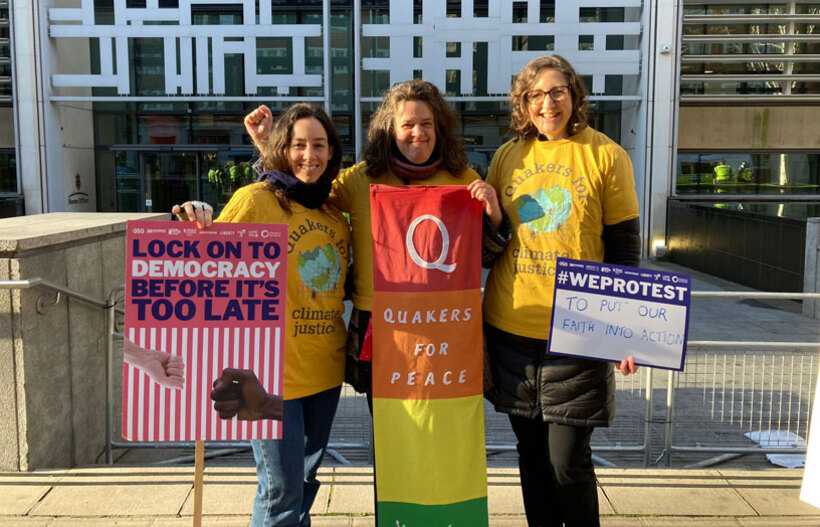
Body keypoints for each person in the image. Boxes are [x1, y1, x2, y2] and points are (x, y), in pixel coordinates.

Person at [243, 79, 506, 400]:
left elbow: (485, 258)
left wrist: (492, 214)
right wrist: (269, 145)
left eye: (426, 124)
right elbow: (305, 189)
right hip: (383, 329)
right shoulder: (361, 178)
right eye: (407, 124)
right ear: (389, 129)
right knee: (387, 429)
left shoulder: (462, 179)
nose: (418, 133)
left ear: (440, 129)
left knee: (445, 427)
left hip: (444, 328)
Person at [481, 54, 640, 527]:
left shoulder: (606, 155)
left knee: (567, 463)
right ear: (523, 103)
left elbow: (624, 250)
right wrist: (489, 216)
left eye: (557, 92)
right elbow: (493, 245)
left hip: (579, 331)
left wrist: (624, 332)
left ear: (574, 95)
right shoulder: (508, 155)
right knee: (530, 458)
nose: (547, 103)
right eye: (535, 95)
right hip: (510, 329)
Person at [175, 103, 350, 527]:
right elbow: (203, 261)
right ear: (282, 150)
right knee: (280, 492)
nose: (309, 155)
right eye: (299, 145)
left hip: (325, 371)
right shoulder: (255, 199)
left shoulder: (334, 215)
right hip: (271, 375)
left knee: (304, 482)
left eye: (319, 145)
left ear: (332, 153)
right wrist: (194, 219)